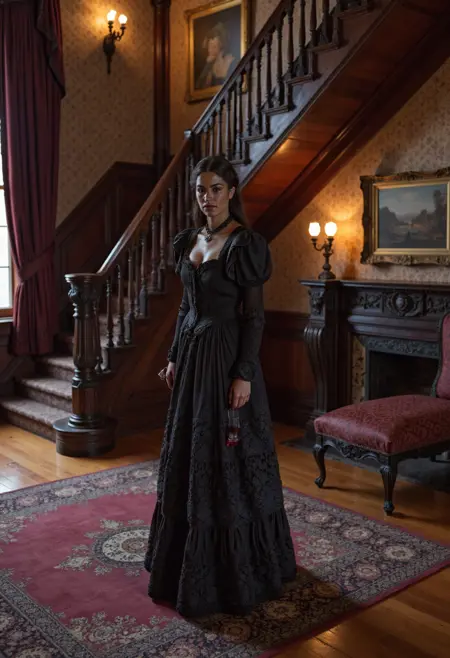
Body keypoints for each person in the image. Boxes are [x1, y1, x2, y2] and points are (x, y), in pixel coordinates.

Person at [144, 155, 297, 618]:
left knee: (228, 455)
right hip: (193, 359)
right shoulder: (189, 241)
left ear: (231, 192)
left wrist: (243, 373)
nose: (206, 198)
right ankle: (180, 562)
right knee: (189, 452)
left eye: (214, 189)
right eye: (200, 190)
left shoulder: (245, 244)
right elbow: (186, 307)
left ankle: (239, 569)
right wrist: (173, 355)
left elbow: (254, 317)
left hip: (226, 357)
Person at [195, 22, 236, 89]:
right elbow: (200, 87)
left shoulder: (230, 61)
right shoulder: (210, 65)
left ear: (221, 47)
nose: (210, 50)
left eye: (214, 46)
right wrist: (208, 65)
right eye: (209, 46)